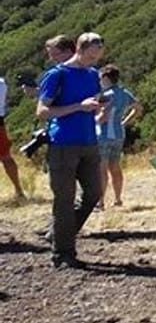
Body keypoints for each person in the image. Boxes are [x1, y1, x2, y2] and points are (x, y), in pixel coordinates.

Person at [37, 31, 106, 268]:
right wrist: (79, 106)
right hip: (63, 142)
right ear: (80, 49)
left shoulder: (92, 74)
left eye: (98, 55)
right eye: (91, 55)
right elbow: (42, 111)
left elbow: (91, 103)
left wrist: (98, 109)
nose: (94, 60)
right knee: (64, 198)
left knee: (94, 193)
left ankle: (60, 232)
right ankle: (63, 252)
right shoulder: (57, 75)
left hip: (88, 140)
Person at [95, 65, 142, 209]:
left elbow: (103, 116)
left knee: (101, 168)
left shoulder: (106, 95)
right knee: (115, 167)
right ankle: (117, 198)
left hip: (104, 134)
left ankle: (100, 201)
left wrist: (93, 121)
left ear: (106, 78)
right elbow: (138, 108)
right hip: (119, 133)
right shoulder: (124, 93)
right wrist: (125, 122)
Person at [0, 74, 25, 200]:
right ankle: (18, 189)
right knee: (6, 157)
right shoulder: (2, 83)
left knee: (6, 158)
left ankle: (19, 190)